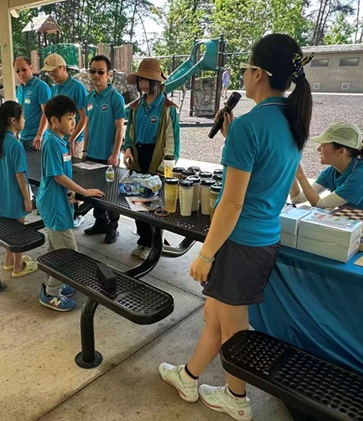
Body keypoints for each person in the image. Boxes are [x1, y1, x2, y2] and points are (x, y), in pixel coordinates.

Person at [158, 34, 314, 421]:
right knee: (215, 316)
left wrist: (205, 254)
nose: (242, 76)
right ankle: (189, 377)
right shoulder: (292, 121)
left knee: (234, 328)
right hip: (264, 240)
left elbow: (232, 202)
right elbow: (273, 176)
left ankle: (237, 398)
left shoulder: (250, 126)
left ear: (258, 73)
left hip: (239, 243)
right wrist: (233, 139)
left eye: (245, 69)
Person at [36, 95, 104, 311]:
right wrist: (83, 191)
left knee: (55, 247)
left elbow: (62, 173)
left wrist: (71, 191)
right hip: (53, 204)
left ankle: (51, 283)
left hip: (59, 201)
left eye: (74, 118)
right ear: (54, 121)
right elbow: (57, 175)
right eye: (69, 119)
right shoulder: (51, 142)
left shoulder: (59, 140)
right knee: (68, 253)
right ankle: (51, 293)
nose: (74, 123)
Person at [122, 58, 180, 260]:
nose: (143, 84)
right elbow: (129, 132)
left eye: (147, 79)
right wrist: (127, 148)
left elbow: (172, 141)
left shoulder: (167, 108)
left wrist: (165, 166)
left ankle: (155, 243)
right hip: (138, 158)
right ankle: (144, 240)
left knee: (155, 203)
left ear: (157, 82)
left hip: (157, 160)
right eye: (140, 80)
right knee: (137, 200)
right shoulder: (136, 106)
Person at [290, 122, 363, 211]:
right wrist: (290, 169)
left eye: (323, 145)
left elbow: (320, 205)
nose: (318, 149)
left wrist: (300, 175)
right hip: (360, 222)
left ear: (341, 151)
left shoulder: (362, 175)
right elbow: (296, 199)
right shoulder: (331, 171)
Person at [0, 100, 38, 277]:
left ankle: (9, 261)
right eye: (22, 116)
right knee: (18, 233)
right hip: (14, 196)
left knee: (9, 232)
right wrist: (27, 198)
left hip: (0, 196)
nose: (25, 119)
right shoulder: (15, 144)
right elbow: (20, 175)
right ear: (13, 120)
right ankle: (18, 266)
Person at [41, 53, 90, 228]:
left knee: (72, 174)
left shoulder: (77, 87)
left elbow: (83, 117)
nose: (51, 75)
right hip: (60, 139)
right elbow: (49, 115)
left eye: (54, 71)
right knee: (61, 174)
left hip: (72, 140)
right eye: (49, 72)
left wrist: (72, 138)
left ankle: (75, 211)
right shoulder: (54, 88)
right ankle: (71, 208)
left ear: (63, 68)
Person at [82, 55, 126, 244]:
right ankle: (100, 223)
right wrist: (84, 151)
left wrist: (115, 153)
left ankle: (112, 227)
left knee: (112, 195)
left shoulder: (116, 98)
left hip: (109, 157)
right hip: (92, 155)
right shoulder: (89, 98)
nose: (96, 75)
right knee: (95, 192)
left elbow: (120, 128)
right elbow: (87, 126)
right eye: (93, 71)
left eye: (100, 72)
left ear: (109, 74)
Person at [14, 57, 51, 149]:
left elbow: (47, 113)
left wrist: (39, 134)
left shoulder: (41, 87)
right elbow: (20, 112)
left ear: (31, 68)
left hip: (37, 139)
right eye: (17, 71)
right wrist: (16, 133)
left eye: (24, 69)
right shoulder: (19, 89)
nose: (21, 73)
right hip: (23, 137)